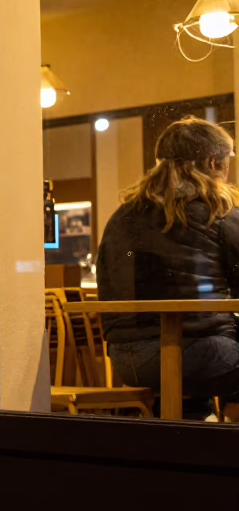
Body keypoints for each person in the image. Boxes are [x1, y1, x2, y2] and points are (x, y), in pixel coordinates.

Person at [98, 116, 239, 412]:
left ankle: (195, 434)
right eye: (229, 159)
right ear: (214, 162)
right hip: (193, 356)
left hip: (127, 360)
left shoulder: (122, 215)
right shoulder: (218, 210)